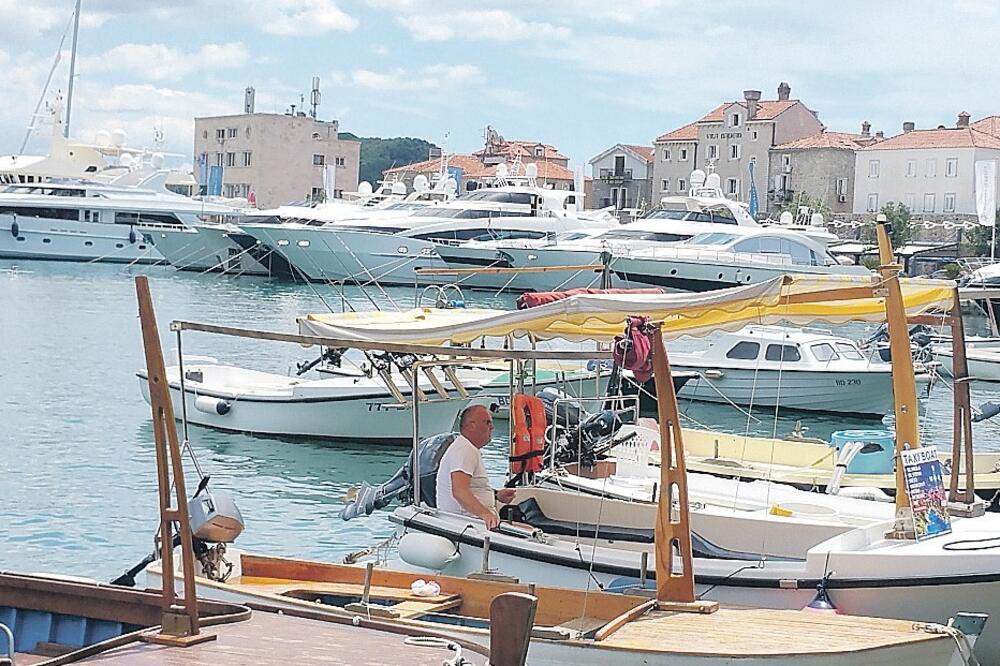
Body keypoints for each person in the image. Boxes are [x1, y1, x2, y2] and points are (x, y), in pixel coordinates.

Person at [436, 405, 516, 529]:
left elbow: (470, 487)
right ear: (472, 424)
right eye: (487, 422)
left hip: (473, 521)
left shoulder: (466, 448)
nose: (492, 427)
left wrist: (496, 495)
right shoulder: (464, 450)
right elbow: (459, 491)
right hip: (469, 523)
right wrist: (487, 515)